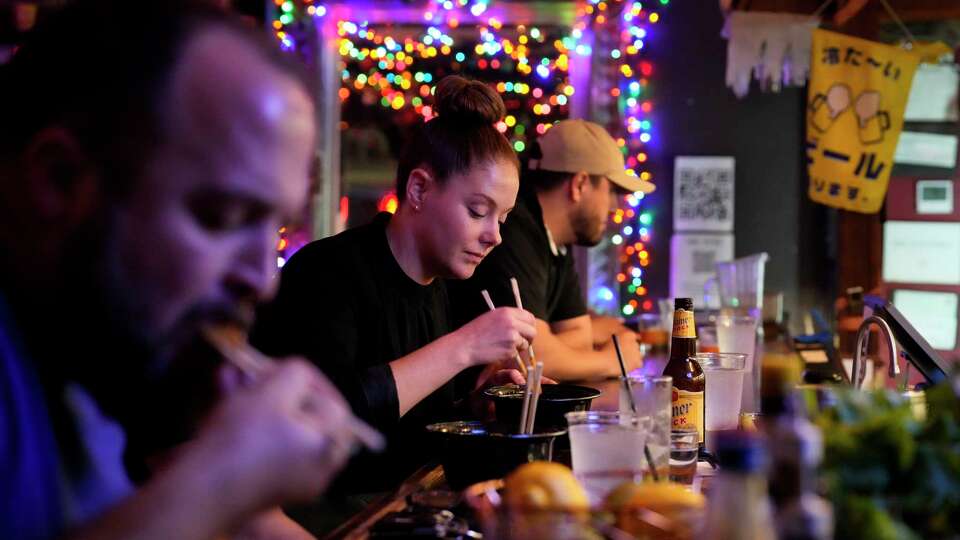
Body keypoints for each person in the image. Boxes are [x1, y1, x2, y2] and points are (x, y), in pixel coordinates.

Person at [0, 2, 362, 539]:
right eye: (221, 218)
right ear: (58, 181)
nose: (263, 280)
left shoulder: (84, 352)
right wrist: (224, 477)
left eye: (276, 228)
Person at [251, 75, 537, 494]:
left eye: (503, 218)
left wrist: (477, 404)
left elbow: (408, 433)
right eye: (479, 211)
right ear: (418, 188)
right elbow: (326, 420)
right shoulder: (327, 271)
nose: (495, 235)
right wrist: (464, 347)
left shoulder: (442, 287)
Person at [448, 119, 656, 381]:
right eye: (611, 190)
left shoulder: (557, 241)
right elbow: (529, 357)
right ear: (579, 184)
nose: (615, 207)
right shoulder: (512, 230)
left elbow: (578, 339)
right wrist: (612, 361)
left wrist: (558, 348)